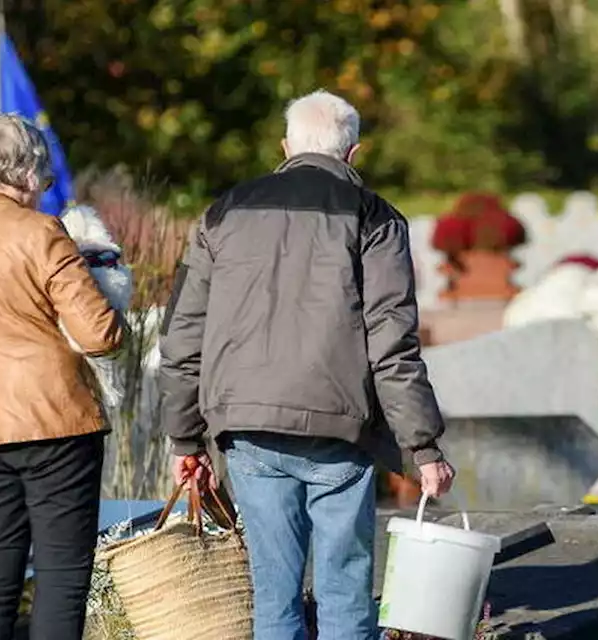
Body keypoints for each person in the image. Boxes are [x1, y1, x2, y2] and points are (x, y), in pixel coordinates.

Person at [158, 89, 454, 640]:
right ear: (353, 152)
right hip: (337, 426)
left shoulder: (224, 212)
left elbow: (182, 335)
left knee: (274, 592)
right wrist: (424, 446)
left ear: (285, 146)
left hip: (245, 428)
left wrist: (184, 439)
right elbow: (392, 342)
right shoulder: (376, 218)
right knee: (344, 589)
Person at [0, 113, 123, 640]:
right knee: (61, 574)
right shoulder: (39, 231)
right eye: (44, 178)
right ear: (26, 173)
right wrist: (109, 286)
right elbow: (99, 333)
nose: (44, 191)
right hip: (53, 421)